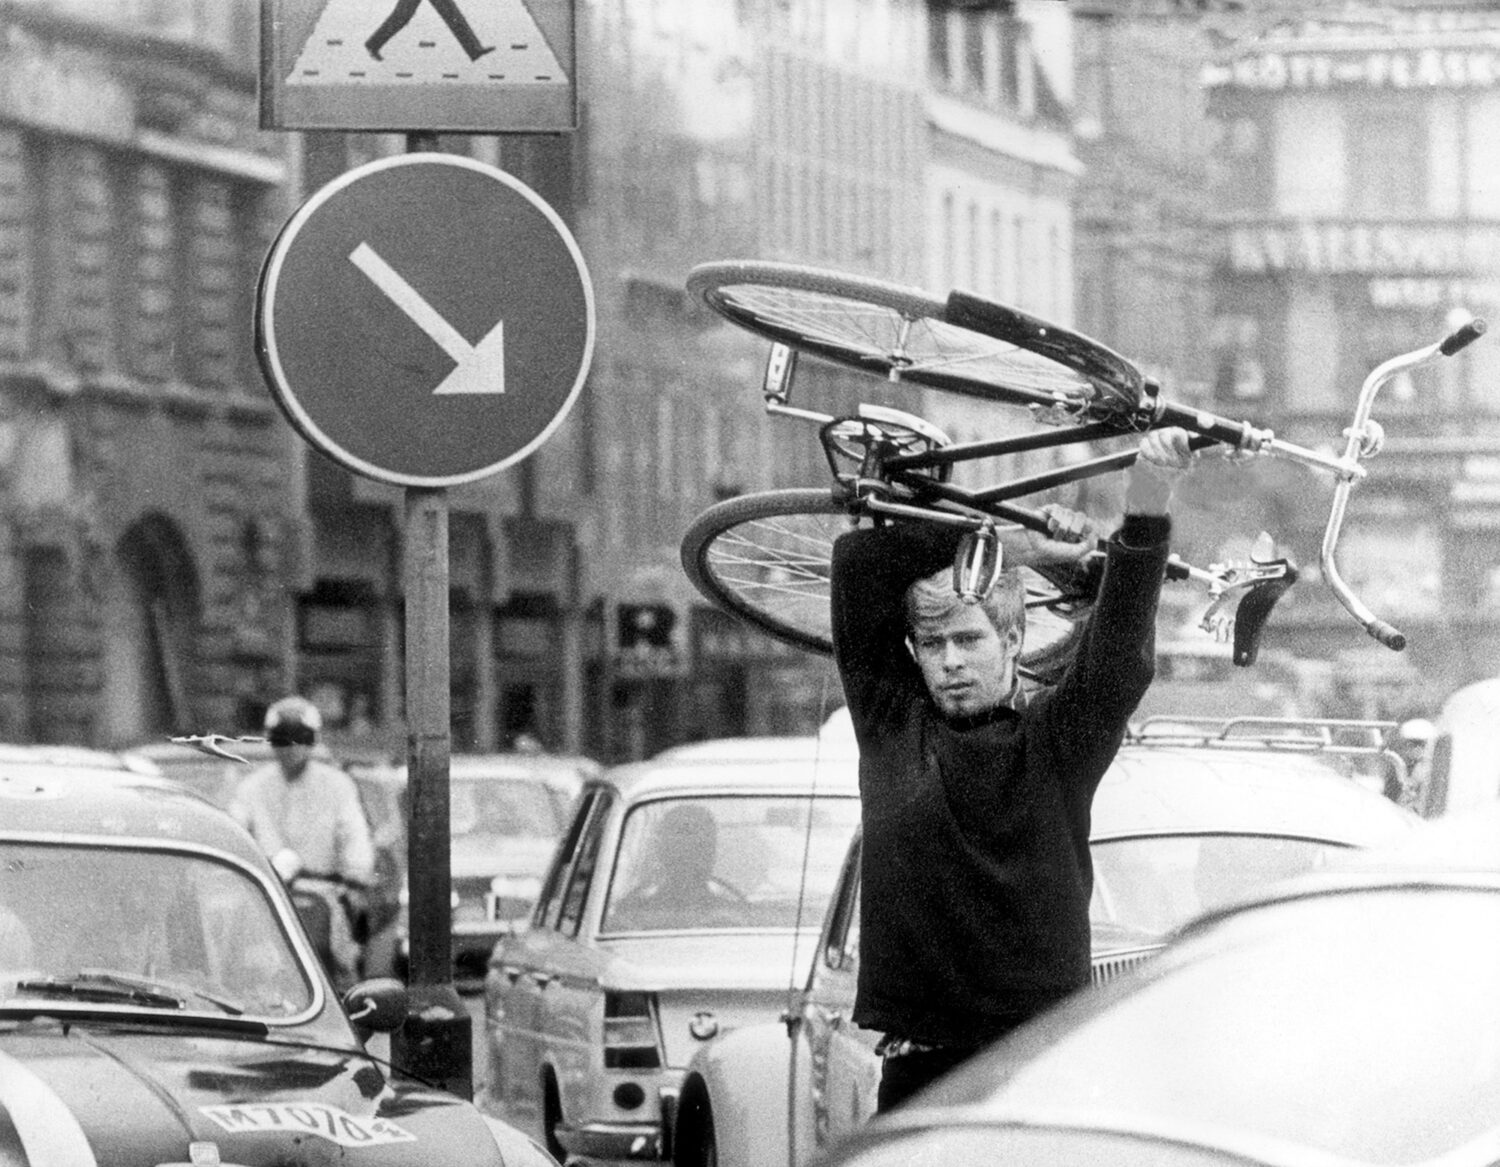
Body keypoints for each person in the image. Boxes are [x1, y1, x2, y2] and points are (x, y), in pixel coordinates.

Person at [830, 428, 1197, 1113]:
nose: (951, 661)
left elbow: (1118, 653)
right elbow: (859, 563)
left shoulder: (1057, 744)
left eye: (969, 638)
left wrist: (1148, 496)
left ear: (1015, 638)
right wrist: (1014, 545)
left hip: (1036, 1074)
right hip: (919, 1081)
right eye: (932, 643)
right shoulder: (891, 727)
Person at [230, 696, 376, 987]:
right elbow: (235, 832)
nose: (291, 747)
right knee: (241, 966)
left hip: (323, 893)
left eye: (300, 738)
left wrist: (356, 871)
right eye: (283, 738)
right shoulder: (251, 788)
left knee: (339, 965)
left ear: (313, 740)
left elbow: (354, 838)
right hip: (264, 894)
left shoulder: (337, 785)